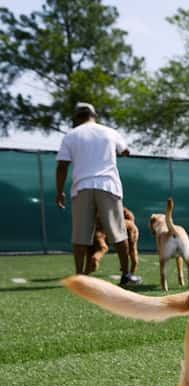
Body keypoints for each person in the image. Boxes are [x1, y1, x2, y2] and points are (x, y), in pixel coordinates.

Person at [55, 102, 142, 286]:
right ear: (94, 115)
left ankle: (80, 278)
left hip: (82, 187)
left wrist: (59, 191)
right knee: (118, 233)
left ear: (77, 117)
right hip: (108, 185)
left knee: (80, 236)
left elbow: (62, 165)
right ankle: (126, 275)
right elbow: (125, 150)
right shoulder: (109, 132)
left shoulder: (70, 135)